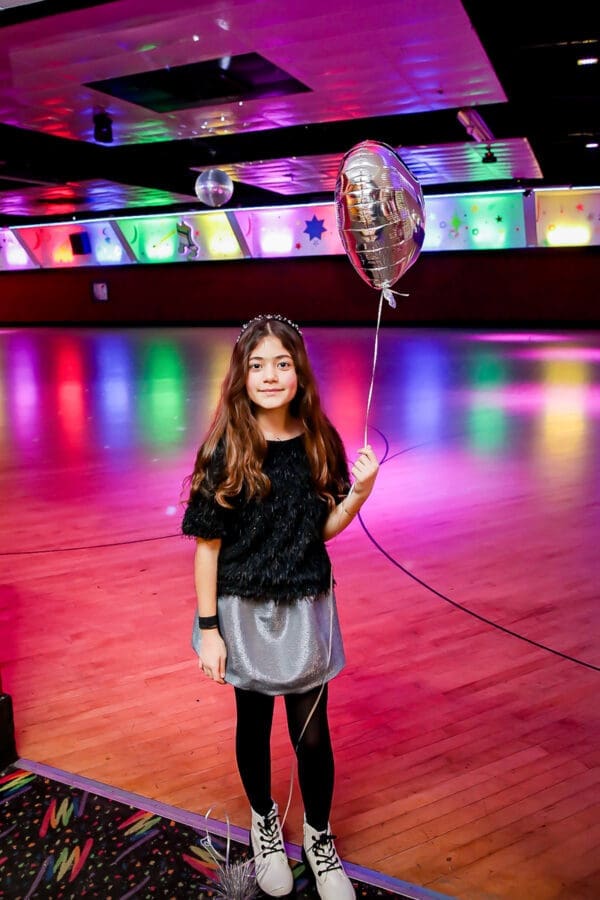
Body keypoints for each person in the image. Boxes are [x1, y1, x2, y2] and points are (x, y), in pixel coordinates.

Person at [182, 314, 379, 899]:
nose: (270, 376)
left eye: (283, 364)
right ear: (241, 375)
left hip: (306, 608)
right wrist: (209, 628)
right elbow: (206, 548)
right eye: (258, 364)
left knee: (312, 735)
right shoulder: (227, 447)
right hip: (242, 609)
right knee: (254, 722)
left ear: (299, 373)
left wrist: (359, 496)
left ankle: (319, 837)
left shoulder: (320, 440)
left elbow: (323, 528)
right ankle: (264, 821)